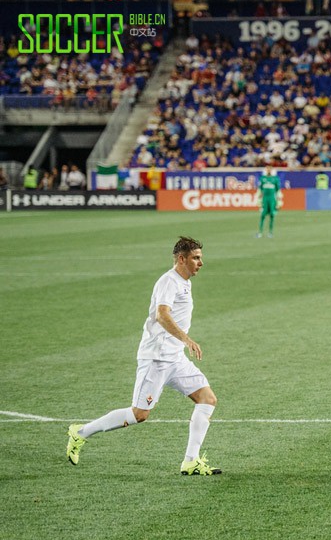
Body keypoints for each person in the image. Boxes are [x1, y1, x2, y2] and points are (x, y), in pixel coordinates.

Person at [66, 237, 221, 475]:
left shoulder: (184, 281)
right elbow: (161, 315)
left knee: (207, 399)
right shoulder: (169, 281)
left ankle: (191, 460)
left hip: (175, 358)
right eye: (196, 258)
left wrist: (180, 345)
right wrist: (186, 339)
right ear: (182, 259)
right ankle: (80, 433)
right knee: (139, 414)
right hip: (156, 358)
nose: (201, 262)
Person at [256, 165, 281, 238]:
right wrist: (259, 201)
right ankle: (260, 232)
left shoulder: (275, 179)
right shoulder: (263, 178)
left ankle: (270, 232)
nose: (269, 170)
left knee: (272, 215)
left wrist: (278, 202)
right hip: (265, 199)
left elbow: (278, 191)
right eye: (267, 169)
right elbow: (260, 190)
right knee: (263, 215)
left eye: (270, 169)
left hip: (272, 199)